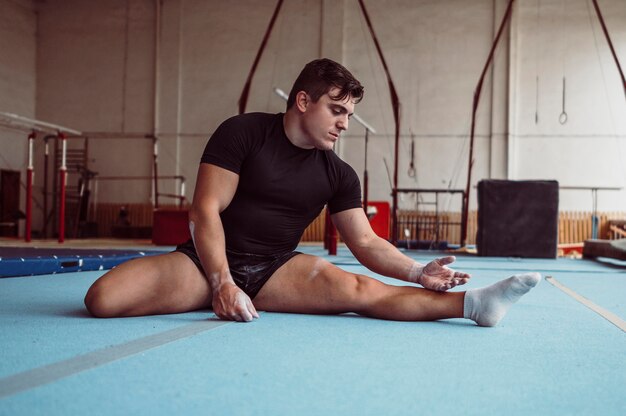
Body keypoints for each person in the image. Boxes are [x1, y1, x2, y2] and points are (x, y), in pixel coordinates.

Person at [85, 58, 540, 326]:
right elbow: (205, 209)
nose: (345, 123)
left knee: (362, 291)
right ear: (303, 101)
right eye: (337, 110)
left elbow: (364, 243)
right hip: (205, 262)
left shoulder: (339, 173)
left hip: (276, 270)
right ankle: (216, 291)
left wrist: (418, 271)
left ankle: (475, 305)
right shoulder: (243, 133)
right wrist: (220, 281)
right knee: (102, 300)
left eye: (349, 114)